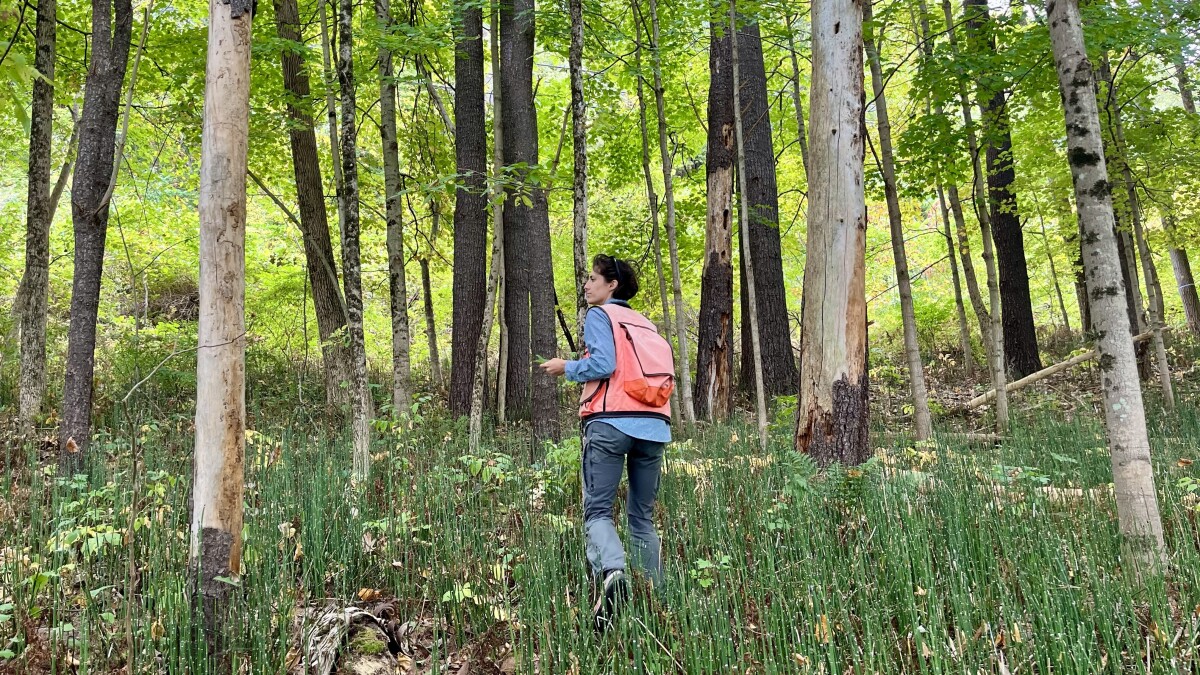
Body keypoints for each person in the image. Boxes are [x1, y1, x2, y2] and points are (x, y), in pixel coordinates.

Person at [540, 254, 673, 632]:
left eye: (593, 278)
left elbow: (603, 365)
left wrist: (566, 367)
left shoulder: (602, 316)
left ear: (611, 285)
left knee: (597, 512)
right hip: (654, 427)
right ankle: (656, 596)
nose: (586, 284)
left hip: (610, 423)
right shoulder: (646, 323)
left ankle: (613, 574)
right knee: (642, 518)